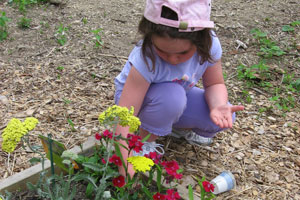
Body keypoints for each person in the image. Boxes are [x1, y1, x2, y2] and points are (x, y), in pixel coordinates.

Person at [113, 0, 244, 177]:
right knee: (172, 97)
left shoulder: (210, 45)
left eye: (183, 53)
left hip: (175, 98)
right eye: (163, 51)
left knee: (222, 115)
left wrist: (218, 105)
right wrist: (124, 161)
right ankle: (144, 142)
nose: (172, 60)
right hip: (138, 103)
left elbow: (214, 83)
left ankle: (169, 127)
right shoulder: (146, 58)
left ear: (201, 41)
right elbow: (125, 116)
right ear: (150, 38)